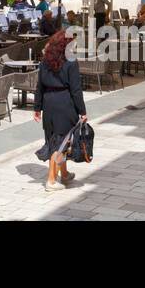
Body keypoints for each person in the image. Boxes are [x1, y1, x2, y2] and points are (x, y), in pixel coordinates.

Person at [33, 31, 87, 192]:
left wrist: (37, 107)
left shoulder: (45, 61)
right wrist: (82, 111)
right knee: (60, 142)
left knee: (56, 139)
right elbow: (76, 90)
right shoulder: (71, 62)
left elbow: (39, 86)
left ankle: (64, 174)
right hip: (64, 103)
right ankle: (51, 180)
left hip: (49, 103)